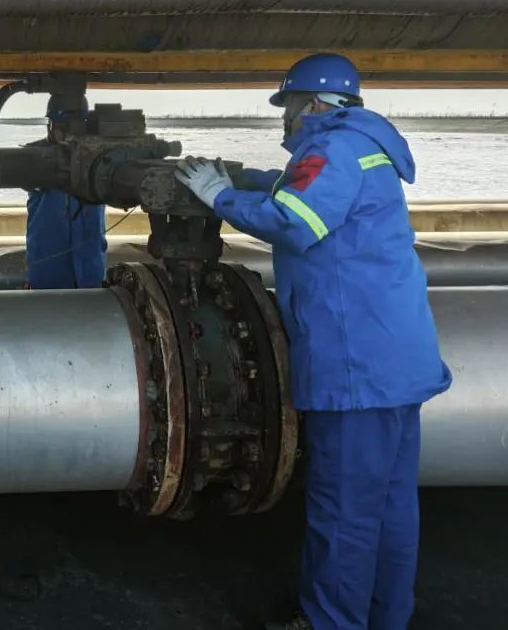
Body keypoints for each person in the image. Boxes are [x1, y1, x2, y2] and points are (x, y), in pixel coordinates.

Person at [174, 53, 452, 630]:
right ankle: (386, 617)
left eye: (290, 106)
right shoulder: (364, 146)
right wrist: (243, 178)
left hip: (354, 370)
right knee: (390, 506)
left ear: (316, 104)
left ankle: (331, 622)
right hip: (395, 362)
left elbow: (295, 221)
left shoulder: (332, 149)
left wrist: (219, 198)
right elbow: (302, 191)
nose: (286, 118)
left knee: (343, 510)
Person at [25, 96, 107, 289]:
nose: (69, 133)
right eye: (63, 126)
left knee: (91, 301)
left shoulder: (100, 157)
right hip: (48, 266)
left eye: (76, 126)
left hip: (90, 265)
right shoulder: (34, 155)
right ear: (51, 125)